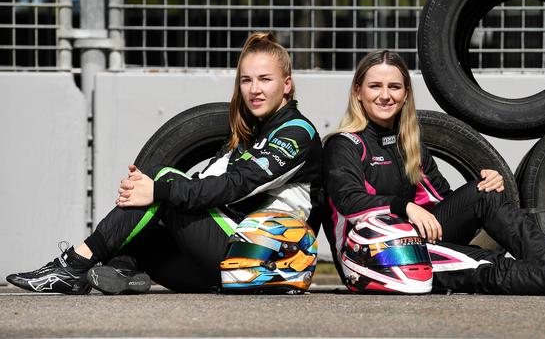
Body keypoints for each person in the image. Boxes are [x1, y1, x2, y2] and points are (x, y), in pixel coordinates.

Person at [7, 32, 323, 294]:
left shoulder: (295, 131)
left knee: (166, 182)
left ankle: (74, 264)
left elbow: (235, 186)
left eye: (265, 79)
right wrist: (148, 192)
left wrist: (157, 189)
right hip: (232, 261)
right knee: (160, 203)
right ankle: (125, 269)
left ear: (287, 84)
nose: (254, 89)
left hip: (266, 256)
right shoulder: (248, 131)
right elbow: (207, 179)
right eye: (246, 80)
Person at [322, 49, 545, 296]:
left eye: (394, 86)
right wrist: (403, 206)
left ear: (406, 93)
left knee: (484, 193)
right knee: (485, 266)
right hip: (374, 255)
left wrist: (484, 185)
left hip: (414, 238)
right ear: (358, 92)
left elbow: (443, 203)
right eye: (375, 86)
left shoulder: (410, 144)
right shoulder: (344, 144)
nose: (385, 95)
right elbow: (350, 201)